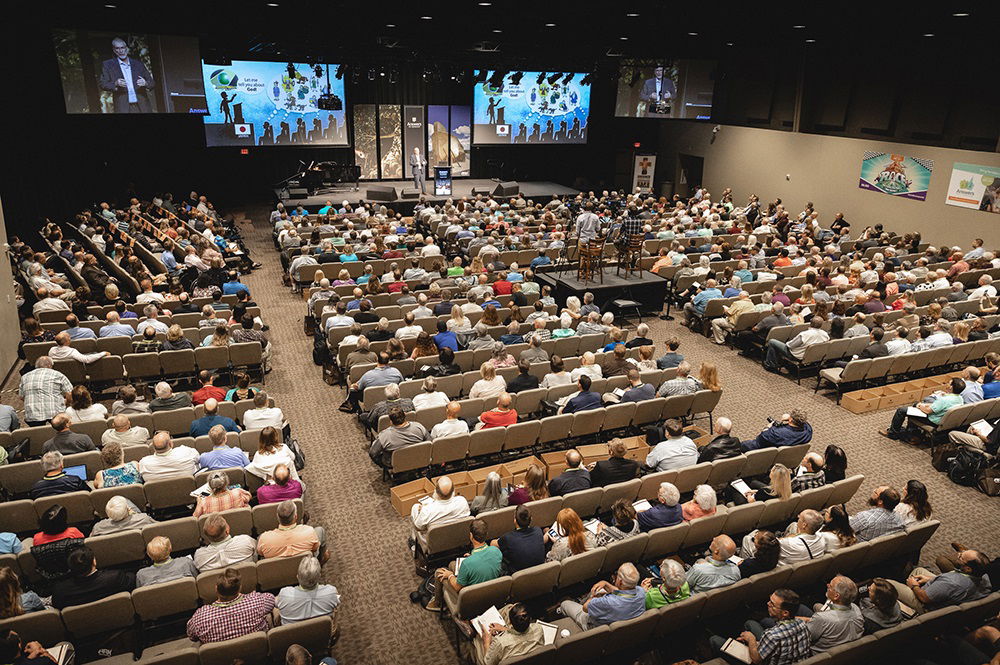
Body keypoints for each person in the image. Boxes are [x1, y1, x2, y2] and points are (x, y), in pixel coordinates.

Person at [709, 588, 811, 664]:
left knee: (715, 640)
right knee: (750, 624)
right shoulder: (803, 624)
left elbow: (757, 659)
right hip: (790, 658)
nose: (767, 604)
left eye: (772, 604)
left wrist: (751, 640)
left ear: (785, 613)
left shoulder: (772, 635)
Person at [427, 519, 503, 612]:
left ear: (471, 536)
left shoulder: (467, 563)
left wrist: (450, 575)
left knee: (439, 572)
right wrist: (472, 557)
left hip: (470, 598)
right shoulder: (496, 551)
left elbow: (457, 587)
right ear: (486, 534)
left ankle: (436, 603)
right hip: (489, 591)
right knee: (452, 564)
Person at [887, 548, 991, 613]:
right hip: (948, 591)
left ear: (968, 569)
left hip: (927, 606)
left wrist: (914, 586)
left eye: (961, 557)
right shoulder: (984, 577)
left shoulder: (951, 582)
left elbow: (924, 598)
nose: (958, 554)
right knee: (919, 571)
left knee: (887, 583)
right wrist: (931, 579)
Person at [186, 568, 275, 643]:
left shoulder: (201, 617)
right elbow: (272, 600)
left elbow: (191, 636)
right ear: (240, 587)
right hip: (256, 653)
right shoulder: (257, 601)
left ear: (216, 589)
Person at [558, 562, 645, 630]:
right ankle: (579, 602)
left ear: (620, 581)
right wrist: (606, 583)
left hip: (593, 625)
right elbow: (624, 594)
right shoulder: (641, 592)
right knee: (602, 590)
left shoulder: (607, 602)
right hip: (621, 622)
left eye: (617, 574)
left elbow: (585, 608)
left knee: (565, 603)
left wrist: (595, 596)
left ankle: (558, 613)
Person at [881, 377, 965, 440]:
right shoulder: (960, 399)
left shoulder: (944, 399)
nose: (947, 383)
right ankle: (912, 434)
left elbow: (928, 411)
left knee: (901, 410)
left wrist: (919, 405)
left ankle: (892, 433)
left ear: (951, 387)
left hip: (933, 420)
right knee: (917, 405)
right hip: (944, 420)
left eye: (949, 383)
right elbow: (939, 407)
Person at [410, 476, 471, 552]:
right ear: (453, 491)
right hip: (458, 538)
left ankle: (413, 541)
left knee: (415, 507)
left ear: (436, 491)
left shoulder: (427, 510)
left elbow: (418, 527)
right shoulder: (462, 501)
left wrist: (421, 512)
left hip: (435, 544)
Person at [275, 556, 340, 625]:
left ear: (297, 577)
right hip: (322, 632)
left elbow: (276, 604)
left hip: (291, 634)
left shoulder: (284, 594)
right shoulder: (331, 592)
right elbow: (337, 602)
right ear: (319, 576)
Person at [474, 602, 545, 665]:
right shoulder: (538, 628)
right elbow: (521, 635)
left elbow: (488, 662)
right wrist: (505, 629)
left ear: (510, 623)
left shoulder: (500, 643)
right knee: (509, 607)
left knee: (478, 638)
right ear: (530, 619)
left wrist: (486, 642)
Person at [100, 36, 154, 112]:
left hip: (142, 106)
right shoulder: (108, 65)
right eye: (117, 48)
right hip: (122, 107)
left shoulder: (138, 64)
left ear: (126, 48)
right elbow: (103, 84)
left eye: (122, 47)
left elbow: (152, 83)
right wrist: (115, 83)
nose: (121, 51)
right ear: (114, 50)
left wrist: (145, 83)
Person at [257, 500, 325, 561]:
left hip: (277, 571)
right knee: (320, 530)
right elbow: (315, 549)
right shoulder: (309, 531)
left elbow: (261, 553)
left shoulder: (264, 539)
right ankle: (321, 560)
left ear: (277, 517)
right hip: (304, 566)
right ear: (295, 517)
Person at [193, 514, 258, 572]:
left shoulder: (199, 556)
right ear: (227, 531)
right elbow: (257, 555)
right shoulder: (245, 541)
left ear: (207, 536)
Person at [19, 357, 72, 426]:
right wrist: (66, 403)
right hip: (56, 416)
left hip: (32, 416)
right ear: (50, 366)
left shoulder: (24, 377)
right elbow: (70, 394)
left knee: (39, 435)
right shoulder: (58, 375)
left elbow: (21, 397)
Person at [493, 506, 545, 573]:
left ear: (515, 521)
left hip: (517, 573)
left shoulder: (508, 538)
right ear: (531, 519)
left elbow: (493, 544)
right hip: (540, 572)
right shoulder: (538, 531)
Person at [741, 410, 813, 451]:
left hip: (764, 452)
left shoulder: (776, 433)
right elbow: (806, 424)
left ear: (790, 419)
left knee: (743, 445)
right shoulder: (808, 431)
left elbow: (761, 438)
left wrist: (768, 427)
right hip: (786, 459)